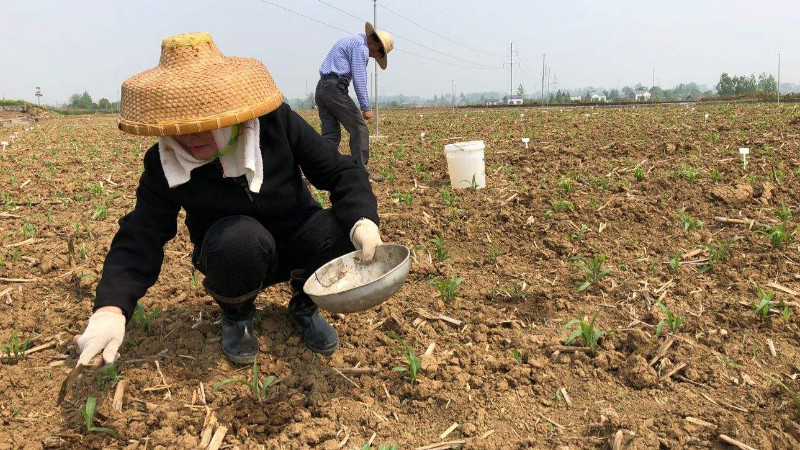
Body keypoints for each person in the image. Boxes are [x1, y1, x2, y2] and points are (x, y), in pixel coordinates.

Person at [75, 32, 383, 366]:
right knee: (239, 239)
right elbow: (142, 233)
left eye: (204, 118)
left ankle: (305, 304)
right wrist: (110, 308)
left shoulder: (275, 123)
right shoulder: (165, 159)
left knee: (338, 229)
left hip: (297, 236)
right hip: (233, 252)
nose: (192, 135)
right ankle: (237, 316)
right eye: (181, 123)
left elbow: (341, 172)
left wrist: (362, 221)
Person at [315, 22, 394, 182]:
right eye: (379, 53)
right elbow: (359, 78)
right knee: (359, 128)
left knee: (331, 135)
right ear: (375, 44)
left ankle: (320, 171)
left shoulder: (353, 40)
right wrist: (365, 107)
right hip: (334, 89)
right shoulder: (361, 48)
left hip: (322, 88)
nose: (375, 57)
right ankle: (361, 173)